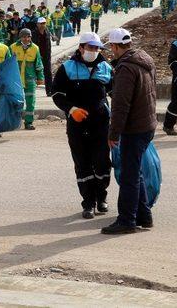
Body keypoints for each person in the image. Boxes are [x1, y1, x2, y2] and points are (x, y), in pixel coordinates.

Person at [102, 28, 157, 235]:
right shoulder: (145, 60)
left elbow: (120, 105)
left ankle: (127, 220)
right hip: (147, 124)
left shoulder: (126, 69)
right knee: (135, 173)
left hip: (135, 128)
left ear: (116, 46)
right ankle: (144, 215)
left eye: (112, 47)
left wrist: (113, 133)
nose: (112, 51)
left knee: (129, 176)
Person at [52, 33, 113, 219]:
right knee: (82, 163)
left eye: (96, 48)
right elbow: (57, 94)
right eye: (90, 47)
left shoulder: (105, 67)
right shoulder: (67, 68)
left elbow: (117, 93)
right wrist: (71, 110)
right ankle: (88, 202)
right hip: (77, 125)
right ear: (81, 48)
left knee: (102, 163)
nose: (94, 51)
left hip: (101, 124)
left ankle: (101, 198)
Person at [10, 28, 44, 130]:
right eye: (24, 36)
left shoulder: (35, 48)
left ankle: (28, 122)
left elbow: (38, 65)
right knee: (16, 101)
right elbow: (8, 64)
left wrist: (40, 78)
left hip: (30, 79)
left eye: (28, 36)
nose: (26, 39)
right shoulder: (13, 47)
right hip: (16, 79)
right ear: (20, 37)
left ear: (30, 37)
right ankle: (15, 122)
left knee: (30, 101)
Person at [32, 17, 53, 96]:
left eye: (44, 23)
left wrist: (49, 55)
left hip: (46, 56)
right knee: (34, 74)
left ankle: (49, 91)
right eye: (40, 23)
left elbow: (49, 45)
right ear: (37, 24)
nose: (42, 25)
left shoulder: (47, 32)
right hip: (36, 57)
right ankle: (31, 91)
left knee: (48, 73)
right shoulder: (33, 33)